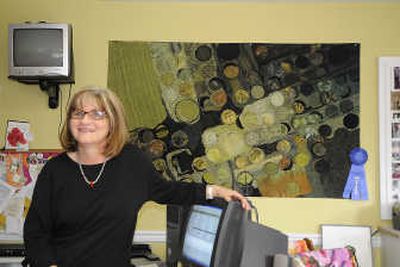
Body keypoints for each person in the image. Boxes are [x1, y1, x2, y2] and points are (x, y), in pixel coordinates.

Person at [24, 86, 250, 267]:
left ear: (113, 122)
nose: (85, 121)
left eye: (97, 114)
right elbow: (35, 232)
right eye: (78, 113)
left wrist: (215, 191)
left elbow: (167, 191)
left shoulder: (132, 162)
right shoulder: (55, 170)